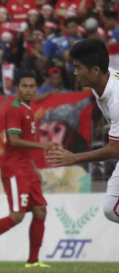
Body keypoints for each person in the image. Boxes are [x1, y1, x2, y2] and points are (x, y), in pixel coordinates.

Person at [0, 71, 58, 268]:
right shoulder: (14, 110)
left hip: (26, 168)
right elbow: (14, 141)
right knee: (17, 215)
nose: (28, 90)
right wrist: (42, 147)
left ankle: (33, 261)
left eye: (32, 86)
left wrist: (34, 168)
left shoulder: (28, 109)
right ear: (16, 88)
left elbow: (23, 143)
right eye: (24, 86)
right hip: (15, 169)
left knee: (40, 211)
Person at [47, 39, 119, 224]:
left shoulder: (116, 99)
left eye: (78, 67)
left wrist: (75, 158)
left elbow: (115, 149)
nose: (75, 72)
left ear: (94, 70)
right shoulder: (102, 80)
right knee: (111, 209)